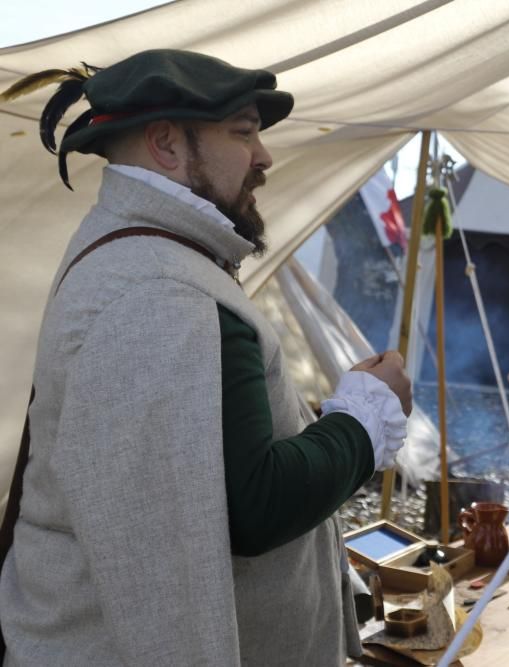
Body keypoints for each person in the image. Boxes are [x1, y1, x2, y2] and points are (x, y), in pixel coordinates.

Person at [0, 49, 412, 664]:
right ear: (166, 143)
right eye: (243, 132)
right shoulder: (158, 293)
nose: (265, 155)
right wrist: (364, 418)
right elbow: (255, 506)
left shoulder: (157, 262)